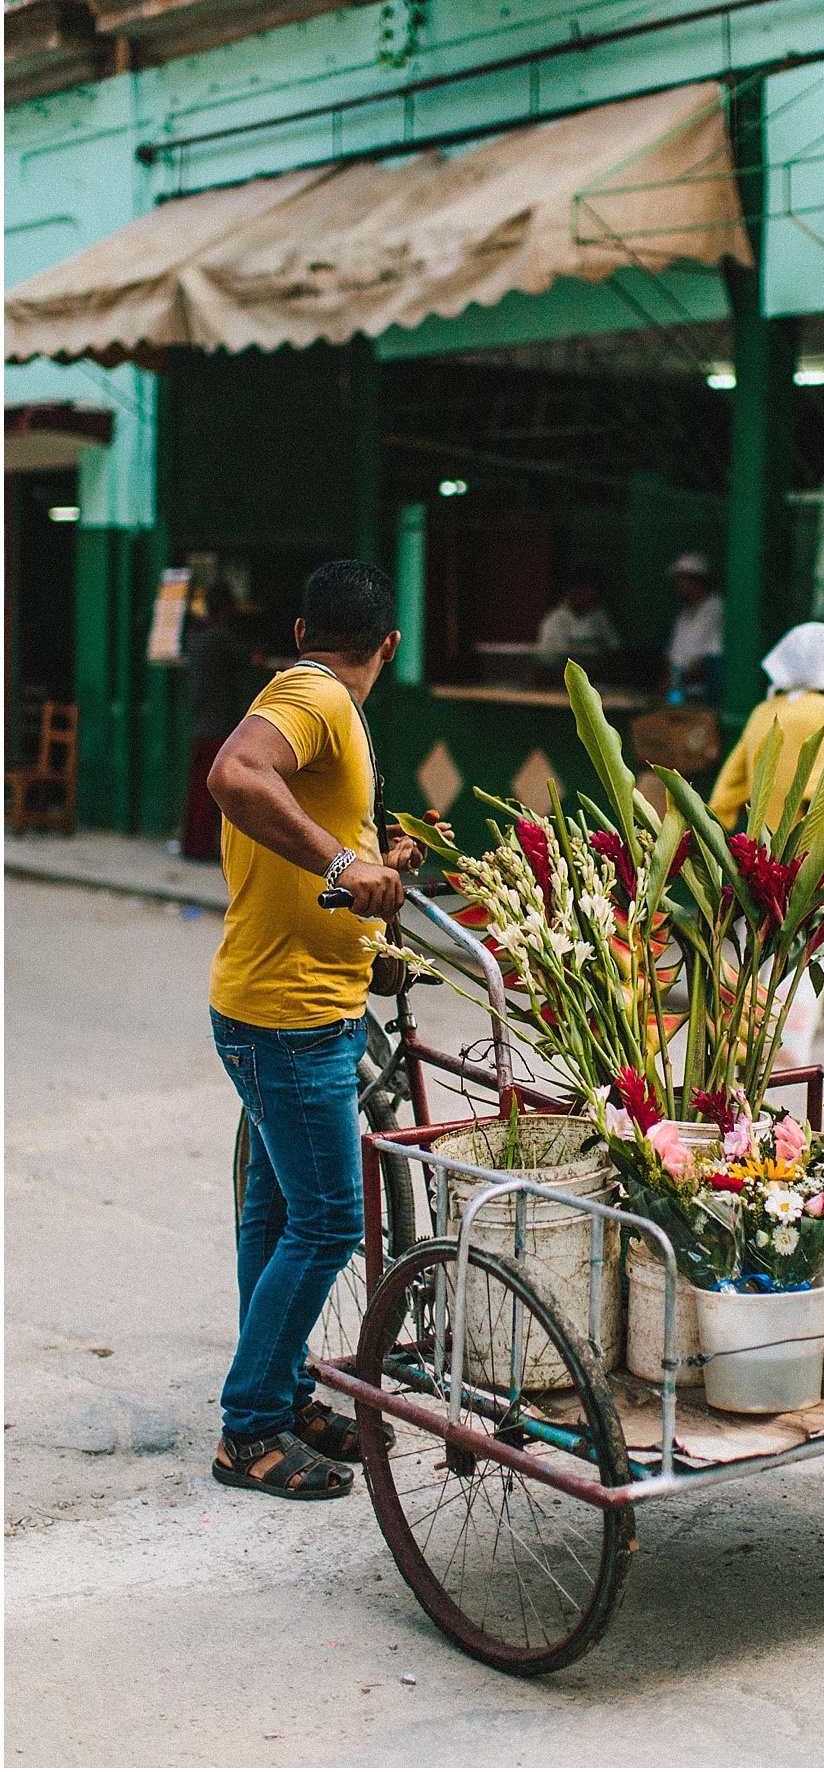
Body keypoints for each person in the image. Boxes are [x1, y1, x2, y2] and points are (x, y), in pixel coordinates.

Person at [206, 559, 439, 1502]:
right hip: (287, 1017)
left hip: (301, 1001)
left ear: (303, 629)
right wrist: (348, 860)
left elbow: (298, 816)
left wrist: (376, 860)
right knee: (332, 1219)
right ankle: (249, 1429)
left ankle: (285, 1394)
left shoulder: (307, 692)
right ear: (388, 644)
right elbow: (234, 773)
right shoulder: (312, 695)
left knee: (277, 1210)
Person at [710, 621, 824, 1077]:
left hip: (762, 872)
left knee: (755, 992)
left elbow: (724, 798)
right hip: (821, 874)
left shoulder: (761, 715)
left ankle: (744, 1105)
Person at [181, 583, 251, 861]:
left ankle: (192, 843)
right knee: (214, 790)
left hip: (201, 721)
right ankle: (204, 845)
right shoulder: (222, 637)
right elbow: (247, 658)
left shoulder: (195, 638)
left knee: (198, 786)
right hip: (219, 725)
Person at [664, 553, 723, 704]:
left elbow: (711, 658)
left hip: (704, 694)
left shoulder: (717, 608)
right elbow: (672, 655)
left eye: (683, 579)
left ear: (697, 580)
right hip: (678, 693)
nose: (678, 584)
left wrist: (678, 679)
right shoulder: (684, 613)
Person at [536, 577, 621, 670]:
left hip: (598, 674)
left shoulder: (599, 616)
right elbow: (549, 658)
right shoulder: (555, 619)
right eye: (586, 597)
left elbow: (615, 646)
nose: (590, 603)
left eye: (593, 599)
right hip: (563, 675)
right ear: (573, 593)